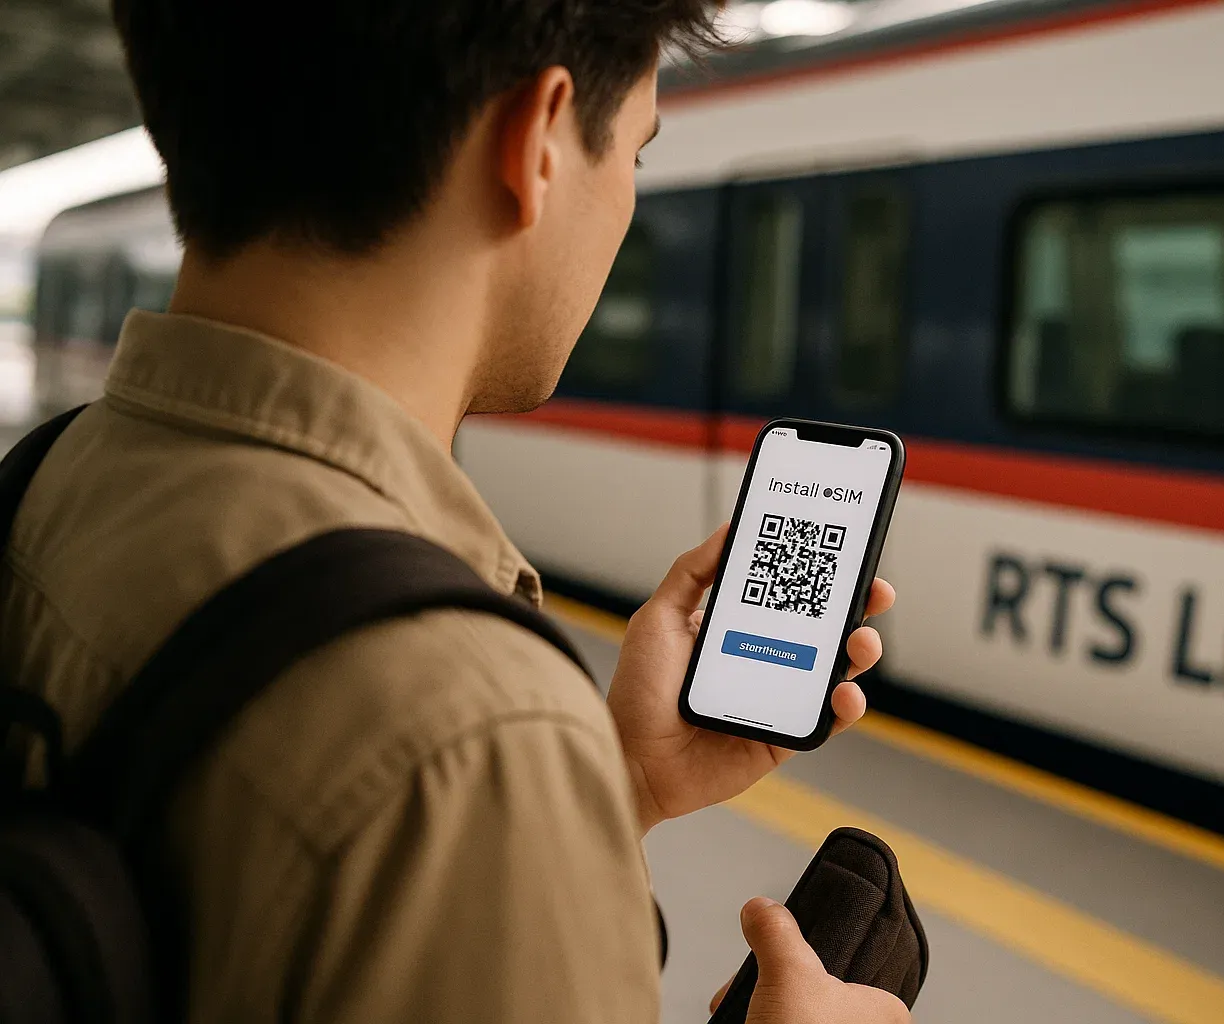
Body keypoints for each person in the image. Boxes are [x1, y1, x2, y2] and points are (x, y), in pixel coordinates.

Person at [0, 3, 910, 1023]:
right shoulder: (469, 736)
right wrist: (524, 778)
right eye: (635, 157)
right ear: (537, 142)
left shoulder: (45, 480)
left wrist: (613, 787)